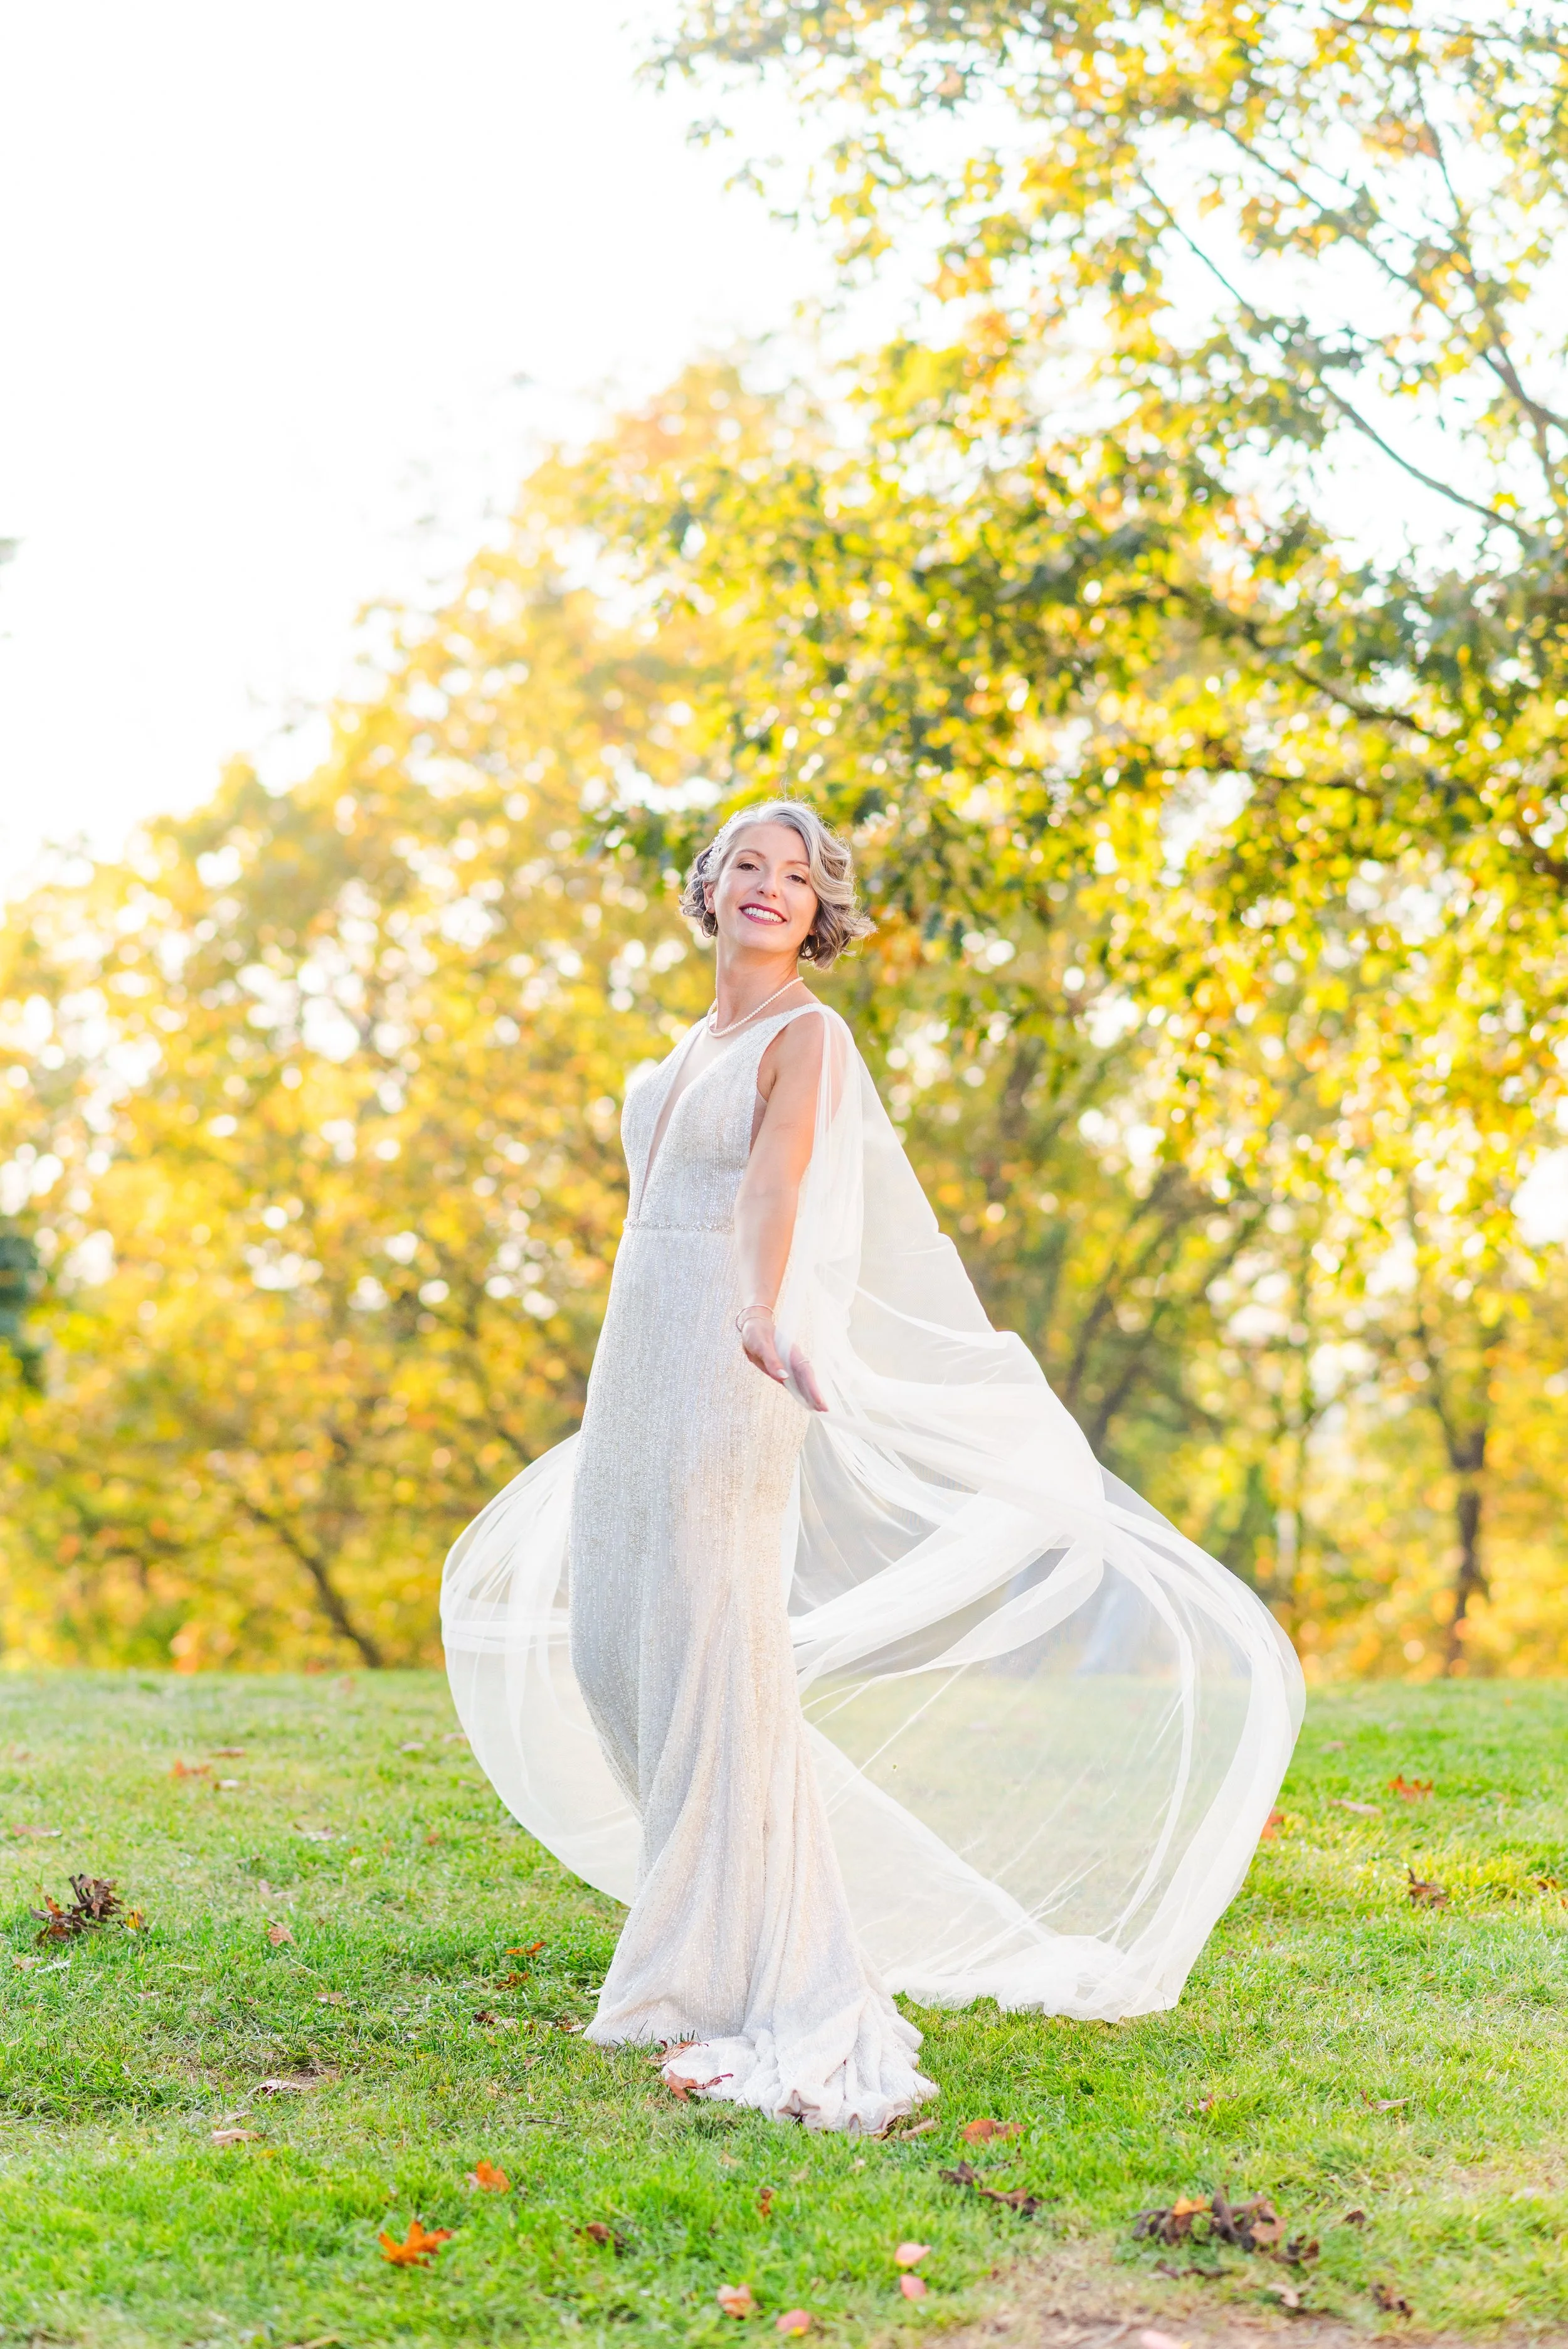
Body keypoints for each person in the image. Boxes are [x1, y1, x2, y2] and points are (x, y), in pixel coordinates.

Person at [443, 801, 1303, 2138]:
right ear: (710, 887)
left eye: (796, 875)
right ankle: (708, 1916)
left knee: (712, 1646)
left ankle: (734, 1965)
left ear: (817, 908)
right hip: (638, 1360)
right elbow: (650, 1213)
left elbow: (775, 1187)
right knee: (620, 1643)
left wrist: (759, 1310)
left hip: (735, 1359)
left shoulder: (807, 1038)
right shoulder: (681, 1050)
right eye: (748, 866)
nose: (770, 888)